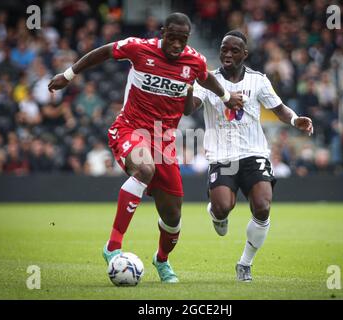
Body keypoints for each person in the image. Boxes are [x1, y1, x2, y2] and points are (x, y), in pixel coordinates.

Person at [48, 13, 243, 283]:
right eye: (172, 37)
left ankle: (161, 261)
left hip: (164, 141)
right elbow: (104, 52)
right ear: (163, 32)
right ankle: (112, 246)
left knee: (173, 217)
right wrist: (69, 75)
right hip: (130, 129)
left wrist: (225, 97)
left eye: (182, 39)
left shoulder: (194, 61)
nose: (176, 44)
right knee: (144, 167)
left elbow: (205, 77)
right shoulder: (139, 48)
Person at [184, 31, 313, 281]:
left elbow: (279, 109)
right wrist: (189, 86)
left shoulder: (259, 80)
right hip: (222, 156)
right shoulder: (207, 80)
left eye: (234, 50)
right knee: (223, 208)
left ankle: (245, 263)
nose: (227, 54)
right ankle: (216, 212)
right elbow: (189, 109)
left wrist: (296, 119)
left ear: (245, 54)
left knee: (263, 206)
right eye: (224, 49)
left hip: (254, 153)